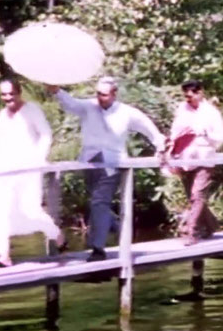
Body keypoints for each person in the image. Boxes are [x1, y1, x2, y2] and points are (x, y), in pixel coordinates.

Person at [47, 77, 167, 261]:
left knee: (99, 202)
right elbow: (71, 103)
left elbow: (147, 127)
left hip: (112, 162)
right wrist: (57, 91)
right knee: (96, 202)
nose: (100, 98)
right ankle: (117, 227)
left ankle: (98, 249)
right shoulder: (89, 106)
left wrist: (160, 145)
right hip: (90, 161)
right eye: (98, 93)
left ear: (114, 94)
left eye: (104, 94)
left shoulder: (127, 112)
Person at [0, 78, 63, 267]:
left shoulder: (31, 110)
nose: (8, 98)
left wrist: (39, 159)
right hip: (5, 168)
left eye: (11, 94)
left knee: (30, 210)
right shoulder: (3, 114)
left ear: (18, 93)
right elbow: (3, 138)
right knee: (1, 208)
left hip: (28, 167)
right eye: (4, 94)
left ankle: (56, 235)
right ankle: (3, 255)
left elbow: (46, 135)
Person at [167, 80, 223, 245]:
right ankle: (211, 225)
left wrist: (206, 135)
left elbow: (220, 137)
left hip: (204, 158)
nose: (188, 99)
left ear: (200, 93)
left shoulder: (211, 113)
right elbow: (175, 134)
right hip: (185, 158)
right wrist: (171, 156)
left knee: (197, 195)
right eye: (186, 96)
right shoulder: (182, 110)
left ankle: (192, 232)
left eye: (191, 95)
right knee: (192, 197)